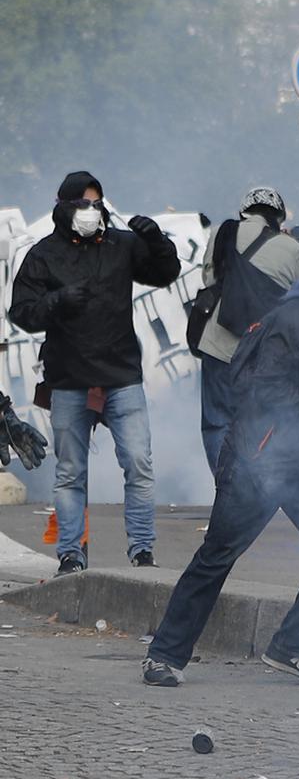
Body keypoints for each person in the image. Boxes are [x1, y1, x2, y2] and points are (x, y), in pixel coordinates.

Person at [142, 225, 299, 688]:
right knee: (218, 555)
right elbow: (267, 389)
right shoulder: (295, 316)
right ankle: (164, 655)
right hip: (260, 460)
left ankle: (293, 646)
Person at [8, 171, 180, 575]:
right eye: (83, 203)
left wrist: (155, 239)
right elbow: (21, 312)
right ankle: (71, 554)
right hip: (68, 379)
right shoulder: (44, 255)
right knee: (70, 474)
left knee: (139, 464)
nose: (91, 211)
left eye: (97, 203)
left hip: (122, 376)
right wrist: (56, 301)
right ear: (64, 206)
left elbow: (164, 272)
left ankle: (142, 550)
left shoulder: (122, 245)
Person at [194, 187, 299, 474]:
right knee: (259, 426)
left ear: (245, 211)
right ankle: (256, 490)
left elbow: (209, 277)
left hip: (219, 344)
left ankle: (225, 489)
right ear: (278, 218)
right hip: (263, 354)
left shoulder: (223, 232)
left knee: (217, 423)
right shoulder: (292, 248)